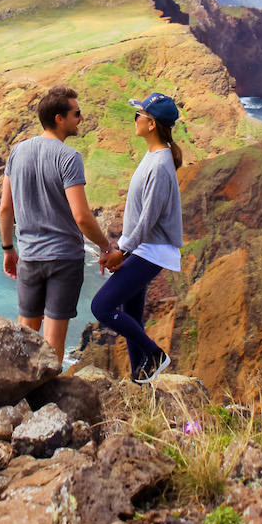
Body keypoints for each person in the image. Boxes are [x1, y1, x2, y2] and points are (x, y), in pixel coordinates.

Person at [0, 85, 112, 361]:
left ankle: (19, 399)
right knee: (53, 341)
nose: (80, 119)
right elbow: (82, 216)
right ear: (59, 118)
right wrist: (106, 246)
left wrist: (7, 249)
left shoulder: (17, 152)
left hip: (29, 257)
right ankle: (47, 400)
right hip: (63, 260)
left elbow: (4, 209)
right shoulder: (69, 157)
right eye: (77, 113)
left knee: (25, 334)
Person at [91, 91, 182, 383]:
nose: (135, 120)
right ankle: (140, 377)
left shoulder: (159, 165)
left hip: (150, 251)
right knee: (132, 313)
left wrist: (123, 251)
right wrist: (124, 250)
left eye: (138, 115)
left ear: (152, 124)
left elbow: (148, 219)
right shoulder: (155, 156)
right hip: (143, 249)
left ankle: (155, 355)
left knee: (101, 307)